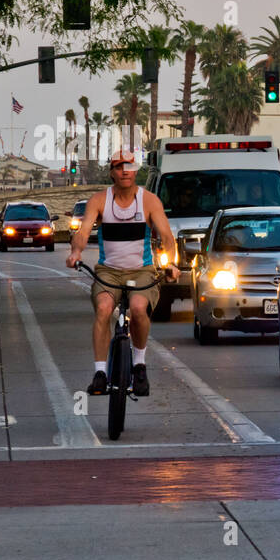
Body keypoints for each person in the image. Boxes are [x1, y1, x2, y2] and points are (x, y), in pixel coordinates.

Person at [67, 151, 181, 397]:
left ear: (135, 171)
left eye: (129, 166)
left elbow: (167, 238)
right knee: (104, 308)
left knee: (139, 309)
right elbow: (84, 230)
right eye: (119, 167)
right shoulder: (99, 200)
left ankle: (139, 365)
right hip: (108, 272)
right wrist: (76, 252)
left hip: (142, 271)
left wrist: (171, 264)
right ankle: (100, 373)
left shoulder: (149, 201)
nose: (125, 171)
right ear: (112, 172)